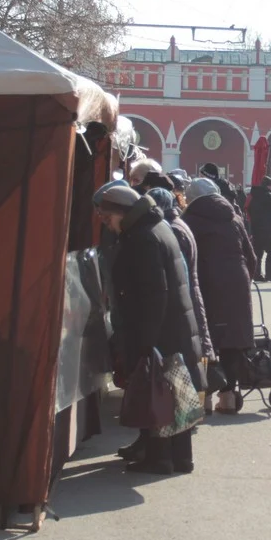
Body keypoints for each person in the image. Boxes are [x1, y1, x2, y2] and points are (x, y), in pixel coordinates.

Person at [94, 183, 204, 474]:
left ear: (122, 212)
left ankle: (159, 458)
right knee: (176, 395)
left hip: (161, 332)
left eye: (107, 218)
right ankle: (181, 457)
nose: (107, 225)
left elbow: (154, 294)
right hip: (175, 328)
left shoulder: (142, 238)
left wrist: (145, 342)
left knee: (158, 394)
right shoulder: (158, 227)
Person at [182, 178, 257, 414]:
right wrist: (244, 279)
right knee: (232, 340)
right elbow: (251, 256)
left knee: (206, 340)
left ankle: (204, 398)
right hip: (237, 282)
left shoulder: (189, 221)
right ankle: (229, 398)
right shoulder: (234, 218)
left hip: (205, 283)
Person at [149, 187, 215, 373]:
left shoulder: (174, 229)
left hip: (184, 301)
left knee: (185, 368)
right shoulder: (179, 224)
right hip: (192, 297)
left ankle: (198, 401)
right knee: (194, 359)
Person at [248, 176, 271, 282]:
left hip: (255, 227)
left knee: (258, 253)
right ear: (269, 186)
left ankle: (257, 274)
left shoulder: (253, 195)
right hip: (266, 228)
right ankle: (269, 274)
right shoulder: (267, 195)